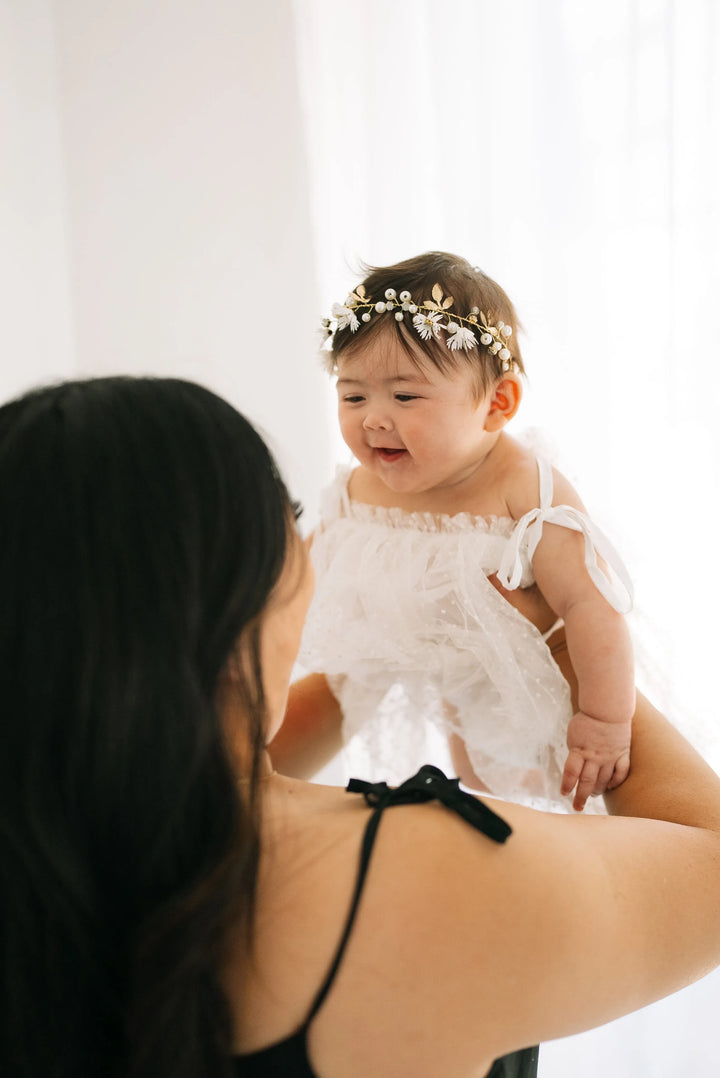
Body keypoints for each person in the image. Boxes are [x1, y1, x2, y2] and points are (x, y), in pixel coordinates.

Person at [5, 376, 720, 1078]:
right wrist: (553, 635)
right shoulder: (418, 877)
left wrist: (398, 640)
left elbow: (239, 742)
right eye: (286, 519)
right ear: (228, 617)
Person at [296, 251, 635, 812]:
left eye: (405, 396)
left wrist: (603, 721)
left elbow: (589, 604)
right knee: (477, 774)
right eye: (353, 395)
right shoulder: (362, 487)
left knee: (574, 786)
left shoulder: (524, 489)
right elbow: (317, 561)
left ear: (496, 405)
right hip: (444, 672)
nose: (373, 418)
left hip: (546, 683)